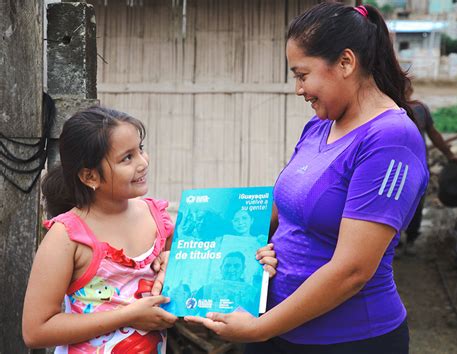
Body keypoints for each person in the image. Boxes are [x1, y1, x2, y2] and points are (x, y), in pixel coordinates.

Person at [185, 3, 429, 354]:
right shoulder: (320, 125)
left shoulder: (391, 139)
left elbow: (353, 270)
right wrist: (185, 243)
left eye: (302, 74)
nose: (299, 89)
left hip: (346, 340)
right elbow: (283, 208)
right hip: (275, 325)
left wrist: (258, 329)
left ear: (346, 63)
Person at [22, 107, 178, 353]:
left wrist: (174, 266)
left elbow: (177, 292)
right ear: (90, 176)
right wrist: (127, 316)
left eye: (141, 149)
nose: (143, 162)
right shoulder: (67, 236)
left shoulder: (158, 219)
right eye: (127, 157)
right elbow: (36, 330)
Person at [398, 84, 457, 256]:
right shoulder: (391, 108)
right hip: (397, 167)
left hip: (417, 167)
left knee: (415, 205)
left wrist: (449, 155)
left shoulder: (420, 109)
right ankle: (396, 242)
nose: (405, 91)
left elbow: (434, 134)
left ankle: (409, 240)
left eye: (406, 88)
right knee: (397, 205)